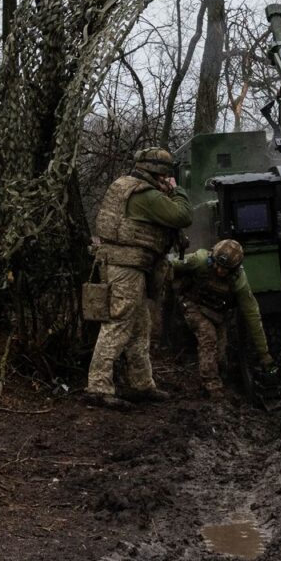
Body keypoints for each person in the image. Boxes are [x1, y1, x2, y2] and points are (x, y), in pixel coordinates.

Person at [84, 147, 192, 408]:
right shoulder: (144, 194)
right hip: (125, 266)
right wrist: (177, 191)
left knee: (140, 324)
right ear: (158, 172)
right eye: (165, 174)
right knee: (119, 321)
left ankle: (141, 383)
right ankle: (98, 387)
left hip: (129, 265)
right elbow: (182, 216)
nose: (167, 178)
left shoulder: (128, 185)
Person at [170, 238, 274, 399]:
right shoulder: (200, 260)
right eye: (217, 265)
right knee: (208, 337)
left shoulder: (239, 282)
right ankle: (212, 387)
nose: (219, 271)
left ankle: (221, 381)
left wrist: (264, 354)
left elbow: (253, 316)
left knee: (220, 354)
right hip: (192, 305)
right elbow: (171, 263)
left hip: (217, 314)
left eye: (225, 269)